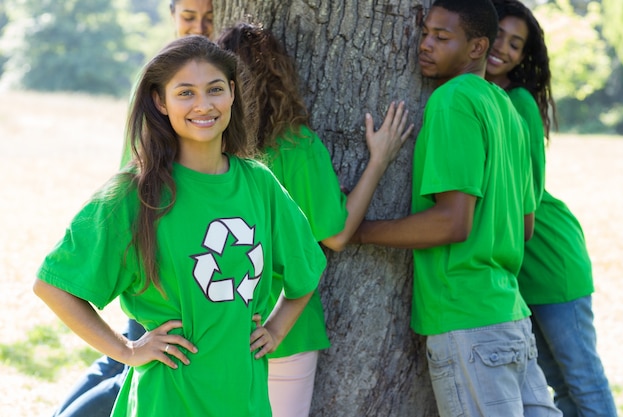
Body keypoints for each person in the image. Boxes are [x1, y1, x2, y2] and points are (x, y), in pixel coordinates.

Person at [34, 35, 326, 417]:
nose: (203, 105)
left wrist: (275, 330)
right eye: (185, 93)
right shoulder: (134, 194)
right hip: (168, 400)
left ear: (233, 93)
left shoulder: (259, 184)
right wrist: (127, 350)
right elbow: (53, 285)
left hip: (245, 400)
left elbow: (305, 270)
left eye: (215, 89)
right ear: (160, 101)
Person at [350, 0, 562, 415]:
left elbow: (452, 223)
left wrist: (357, 229)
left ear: (477, 47)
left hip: (468, 320)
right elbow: (524, 226)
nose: (425, 45)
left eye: (442, 38)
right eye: (426, 33)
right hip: (510, 315)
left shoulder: (452, 100)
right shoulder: (507, 110)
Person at [217, 22, 413, 417]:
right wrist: (378, 161)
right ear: (277, 76)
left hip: (218, 323)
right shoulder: (295, 146)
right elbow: (337, 236)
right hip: (286, 328)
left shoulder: (211, 153)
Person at [50, 2, 215, 416]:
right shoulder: (160, 80)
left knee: (119, 361)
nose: (200, 26)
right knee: (130, 360)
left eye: (210, 16)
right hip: (157, 239)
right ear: (172, 14)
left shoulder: (213, 85)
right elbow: (138, 169)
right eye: (190, 16)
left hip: (178, 245)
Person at [485, 1, 618, 416]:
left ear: (524, 58)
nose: (503, 48)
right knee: (556, 384)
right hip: (517, 263)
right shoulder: (476, 94)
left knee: (583, 379)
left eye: (516, 44)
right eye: (499, 35)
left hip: (550, 253)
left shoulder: (519, 101)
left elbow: (530, 189)